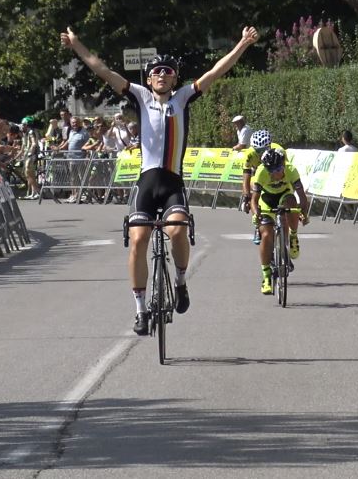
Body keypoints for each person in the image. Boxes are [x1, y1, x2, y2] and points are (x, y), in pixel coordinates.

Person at [62, 24, 258, 335]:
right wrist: (78, 46)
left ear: (175, 78)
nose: (163, 75)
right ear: (149, 78)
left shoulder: (183, 97)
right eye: (157, 72)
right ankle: (140, 310)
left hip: (172, 184)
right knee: (138, 240)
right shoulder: (139, 96)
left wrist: (242, 45)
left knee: (177, 231)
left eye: (168, 71)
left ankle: (180, 281)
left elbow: (217, 71)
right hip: (146, 183)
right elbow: (103, 70)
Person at [251, 148, 309, 295]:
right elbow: (254, 200)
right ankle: (266, 276)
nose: (276, 174)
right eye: (272, 171)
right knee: (266, 235)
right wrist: (256, 213)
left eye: (279, 169)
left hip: (285, 196)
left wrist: (303, 212)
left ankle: (293, 235)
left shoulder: (291, 170)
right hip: (267, 200)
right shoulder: (261, 172)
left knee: (291, 202)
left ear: (284, 165)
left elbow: (302, 197)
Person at [242, 129, 285, 244]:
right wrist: (246, 196)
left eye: (264, 150)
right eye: (258, 151)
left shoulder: (278, 150)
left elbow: (287, 170)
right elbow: (246, 175)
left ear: (270, 145)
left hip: (275, 174)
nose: (261, 153)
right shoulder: (249, 154)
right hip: (259, 177)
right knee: (253, 189)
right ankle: (258, 225)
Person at [19, 116, 41, 199]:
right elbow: (23, 146)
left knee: (28, 173)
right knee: (29, 174)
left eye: (23, 124)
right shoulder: (24, 133)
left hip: (31, 155)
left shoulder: (31, 132)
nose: (22, 126)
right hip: (26, 154)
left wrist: (30, 153)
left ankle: (36, 191)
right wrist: (17, 155)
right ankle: (32, 192)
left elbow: (34, 143)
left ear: (27, 125)